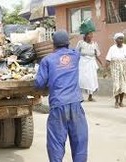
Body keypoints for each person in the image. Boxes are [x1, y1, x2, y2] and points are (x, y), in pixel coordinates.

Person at [35, 30, 88, 162]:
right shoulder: (75, 56)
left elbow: (39, 83)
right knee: (80, 143)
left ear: (53, 45)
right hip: (76, 104)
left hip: (58, 106)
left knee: (56, 144)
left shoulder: (47, 60)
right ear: (68, 43)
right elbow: (76, 50)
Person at [76, 32, 102, 101]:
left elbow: (97, 55)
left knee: (91, 79)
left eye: (91, 34)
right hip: (82, 63)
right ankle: (79, 96)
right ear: (85, 36)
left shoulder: (94, 44)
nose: (91, 36)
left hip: (91, 63)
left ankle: (90, 96)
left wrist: (101, 64)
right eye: (89, 34)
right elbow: (76, 53)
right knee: (81, 79)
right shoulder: (81, 43)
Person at [105, 33, 126, 108]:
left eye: (121, 38)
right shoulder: (112, 48)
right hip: (115, 69)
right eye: (119, 39)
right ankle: (116, 102)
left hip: (123, 69)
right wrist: (106, 71)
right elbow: (108, 60)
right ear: (115, 40)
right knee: (116, 85)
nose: (121, 40)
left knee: (123, 85)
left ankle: (121, 102)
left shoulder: (125, 47)